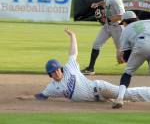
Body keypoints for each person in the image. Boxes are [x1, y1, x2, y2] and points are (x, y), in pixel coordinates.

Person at [17, 28, 150, 103]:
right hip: (97, 99)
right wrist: (23, 97)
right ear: (50, 74)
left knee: (127, 95)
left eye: (57, 69)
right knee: (123, 97)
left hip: (99, 88)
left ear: (60, 68)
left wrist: (72, 35)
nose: (56, 72)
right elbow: (40, 96)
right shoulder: (52, 87)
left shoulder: (69, 67)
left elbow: (73, 51)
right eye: (53, 71)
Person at [82, 0, 125, 75]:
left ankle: (142, 57)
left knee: (121, 56)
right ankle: (90, 68)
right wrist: (98, 4)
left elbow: (122, 15)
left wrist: (109, 19)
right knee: (96, 44)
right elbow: (106, 2)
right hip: (107, 26)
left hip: (117, 28)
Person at [112, 11, 150, 109]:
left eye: (123, 23)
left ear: (125, 22)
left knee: (128, 72)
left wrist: (123, 59)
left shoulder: (126, 30)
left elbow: (127, 54)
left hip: (141, 46)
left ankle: (120, 98)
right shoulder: (147, 22)